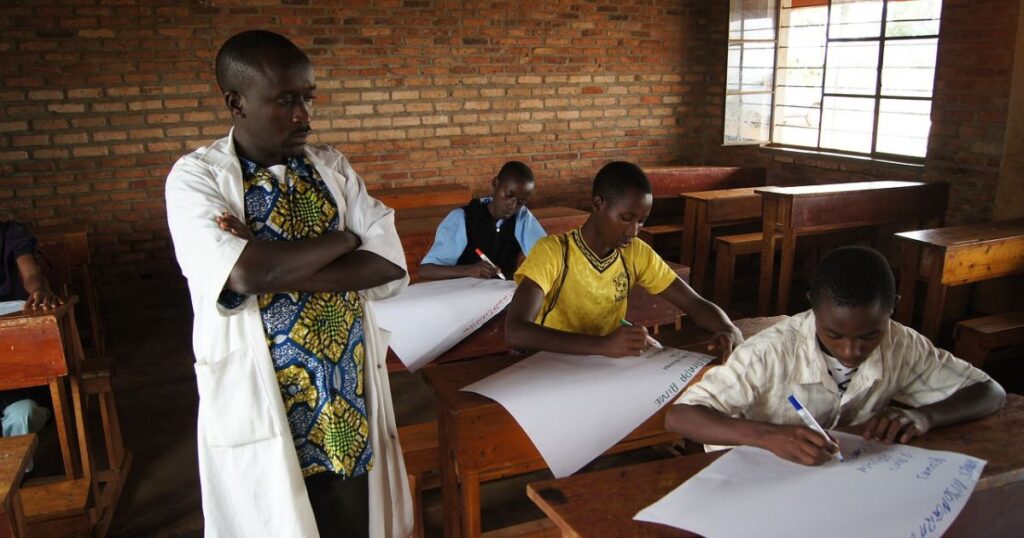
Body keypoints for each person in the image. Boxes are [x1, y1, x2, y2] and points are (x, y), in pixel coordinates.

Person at [165, 30, 411, 537]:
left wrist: (276, 258)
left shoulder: (332, 168)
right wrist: (346, 239)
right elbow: (244, 274)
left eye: (307, 97)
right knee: (274, 521)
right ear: (236, 102)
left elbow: (387, 262)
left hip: (342, 389)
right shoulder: (197, 179)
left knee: (350, 519)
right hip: (263, 394)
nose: (304, 115)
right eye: (286, 100)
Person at [666, 246, 1006, 466]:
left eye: (869, 336)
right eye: (835, 335)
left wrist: (924, 417)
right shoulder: (768, 353)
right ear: (813, 306)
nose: (851, 351)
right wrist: (766, 435)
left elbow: (989, 391)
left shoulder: (902, 344)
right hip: (757, 480)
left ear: (892, 310)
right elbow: (680, 417)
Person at [505, 161, 743, 358]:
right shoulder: (554, 253)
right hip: (548, 365)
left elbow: (694, 304)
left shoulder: (635, 253)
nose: (634, 231)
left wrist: (728, 328)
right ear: (599, 203)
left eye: (641, 221)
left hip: (606, 365)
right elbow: (516, 331)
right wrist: (604, 345)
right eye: (626, 218)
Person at [418, 161, 545, 280]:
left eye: (520, 202)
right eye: (508, 195)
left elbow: (547, 255)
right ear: (495, 183)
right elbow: (426, 270)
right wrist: (468, 270)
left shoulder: (522, 218)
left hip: (502, 296)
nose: (512, 205)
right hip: (464, 295)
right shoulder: (463, 218)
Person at [1, 221, 60, 465]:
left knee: (23, 412)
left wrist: (38, 290)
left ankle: (17, 480)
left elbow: (31, 273)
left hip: (19, 355)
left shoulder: (10, 234)